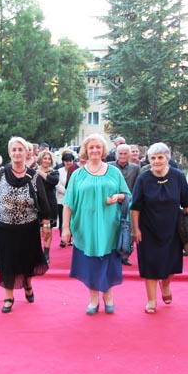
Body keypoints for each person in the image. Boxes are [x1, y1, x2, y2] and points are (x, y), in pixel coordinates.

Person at [62, 134, 130, 315]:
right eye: (91, 147)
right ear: (86, 150)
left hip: (110, 227)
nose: (94, 150)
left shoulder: (114, 172)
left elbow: (127, 196)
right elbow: (68, 203)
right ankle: (93, 299)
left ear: (103, 150)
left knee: (108, 261)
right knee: (90, 263)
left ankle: (108, 296)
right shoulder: (77, 174)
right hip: (85, 227)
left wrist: (118, 196)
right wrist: (65, 228)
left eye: (98, 147)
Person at [0, 136, 50, 313]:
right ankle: (8, 296)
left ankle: (27, 283)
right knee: (7, 262)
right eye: (14, 149)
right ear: (9, 153)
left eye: (20, 149)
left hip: (28, 227)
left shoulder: (34, 175)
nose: (17, 153)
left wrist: (46, 225)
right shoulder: (1, 174)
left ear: (26, 152)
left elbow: (43, 201)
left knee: (27, 260)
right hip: (4, 227)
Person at [131, 142, 188, 314]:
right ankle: (151, 300)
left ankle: (165, 285)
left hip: (173, 228)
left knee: (172, 264)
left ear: (167, 158)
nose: (157, 161)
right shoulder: (143, 178)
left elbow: (187, 203)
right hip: (148, 228)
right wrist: (135, 229)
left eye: (160, 157)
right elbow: (135, 207)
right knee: (150, 264)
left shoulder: (178, 176)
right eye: (153, 158)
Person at [107, 143, 140, 266]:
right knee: (112, 228)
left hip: (129, 202)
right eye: (120, 153)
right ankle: (111, 254)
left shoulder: (135, 168)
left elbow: (137, 186)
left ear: (129, 154)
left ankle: (125, 255)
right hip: (112, 202)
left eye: (125, 153)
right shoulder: (109, 166)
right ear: (116, 154)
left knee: (128, 228)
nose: (122, 156)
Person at [36, 149, 59, 263]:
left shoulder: (54, 172)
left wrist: (41, 173)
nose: (47, 160)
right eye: (45, 158)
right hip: (36, 204)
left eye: (49, 159)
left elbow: (54, 181)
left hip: (50, 204)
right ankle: (36, 253)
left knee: (48, 230)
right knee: (34, 230)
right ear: (41, 159)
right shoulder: (34, 171)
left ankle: (46, 254)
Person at [56, 150, 75, 247]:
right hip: (61, 200)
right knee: (62, 220)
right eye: (67, 161)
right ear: (63, 162)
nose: (69, 163)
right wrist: (68, 193)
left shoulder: (76, 171)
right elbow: (57, 185)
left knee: (72, 220)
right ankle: (63, 239)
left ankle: (71, 238)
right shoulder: (59, 171)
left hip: (74, 200)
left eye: (70, 161)